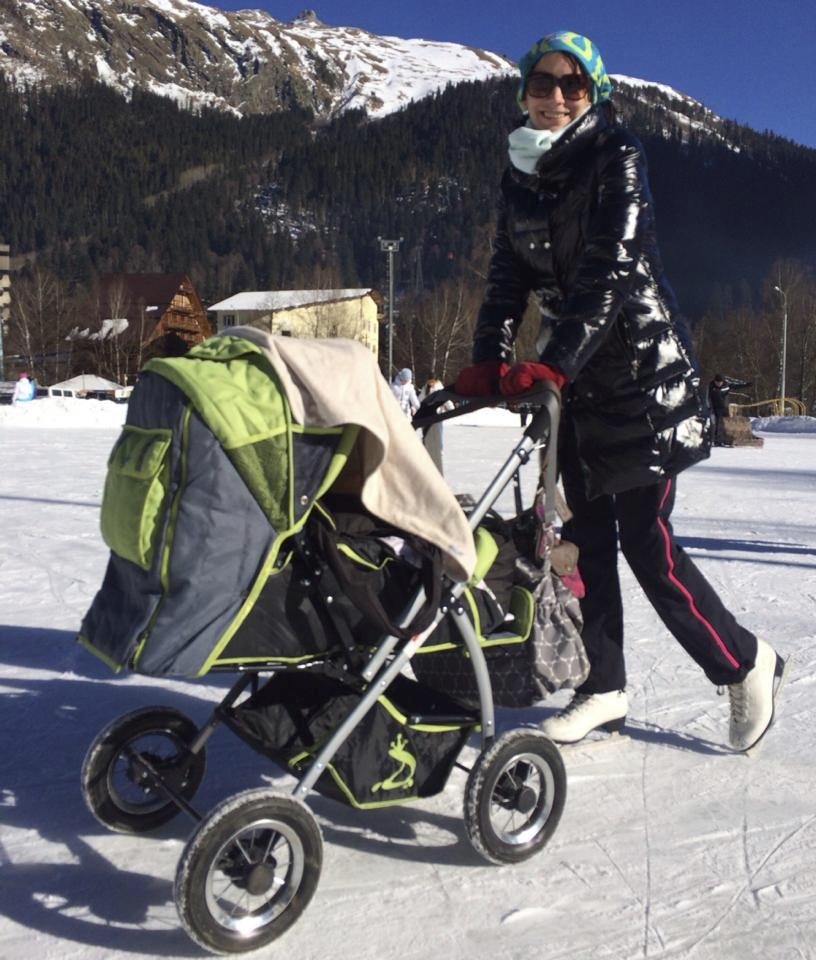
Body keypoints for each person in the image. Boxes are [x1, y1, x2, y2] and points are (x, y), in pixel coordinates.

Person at [454, 31, 784, 752]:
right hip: (573, 386)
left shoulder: (617, 157)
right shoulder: (520, 174)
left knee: (647, 541)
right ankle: (603, 687)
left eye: (574, 85)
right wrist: (487, 360)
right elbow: (508, 278)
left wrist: (554, 361)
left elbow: (608, 270)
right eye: (542, 84)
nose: (557, 97)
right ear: (523, 93)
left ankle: (745, 662)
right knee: (584, 540)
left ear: (594, 94)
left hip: (639, 376)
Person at [419, 377, 454, 473]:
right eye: (428, 382)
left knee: (438, 432)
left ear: (435, 380)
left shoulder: (439, 388)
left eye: (431, 382)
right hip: (426, 415)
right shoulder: (425, 388)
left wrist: (451, 409)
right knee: (426, 432)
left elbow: (446, 399)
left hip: (437, 416)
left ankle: (439, 449)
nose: (430, 384)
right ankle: (426, 447)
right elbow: (420, 399)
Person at [708, 373, 751, 446]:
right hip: (715, 408)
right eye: (717, 382)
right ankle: (717, 441)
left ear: (722, 381)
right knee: (718, 424)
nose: (718, 383)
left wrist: (746, 385)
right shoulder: (711, 387)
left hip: (725, 408)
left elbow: (736, 386)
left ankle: (728, 440)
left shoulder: (726, 386)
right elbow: (707, 397)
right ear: (714, 381)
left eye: (720, 382)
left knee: (728, 424)